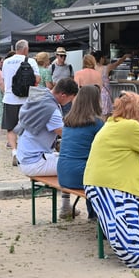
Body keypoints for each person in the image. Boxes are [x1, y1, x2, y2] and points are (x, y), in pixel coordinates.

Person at [83, 91, 139, 268]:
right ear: (135, 110)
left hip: (99, 182)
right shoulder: (131, 127)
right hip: (111, 185)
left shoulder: (112, 123)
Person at [16, 78, 78, 217]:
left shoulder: (41, 95)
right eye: (70, 99)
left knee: (65, 160)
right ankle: (66, 207)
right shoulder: (52, 110)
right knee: (72, 164)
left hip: (24, 155)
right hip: (34, 161)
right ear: (63, 95)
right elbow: (67, 135)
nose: (70, 103)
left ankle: (66, 206)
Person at [56, 85, 104, 218]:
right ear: (96, 101)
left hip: (63, 173)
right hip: (81, 175)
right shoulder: (96, 123)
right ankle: (96, 215)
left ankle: (93, 215)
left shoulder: (68, 120)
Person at [1, 39, 40, 164]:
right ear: (25, 49)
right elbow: (37, 79)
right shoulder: (31, 61)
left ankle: (14, 151)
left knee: (11, 128)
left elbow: (4, 79)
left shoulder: (6, 62)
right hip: (26, 100)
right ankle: (25, 152)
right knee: (27, 127)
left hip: (9, 99)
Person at [92, 51, 132, 117]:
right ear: (101, 58)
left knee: (98, 113)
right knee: (107, 114)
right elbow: (117, 63)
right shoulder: (106, 68)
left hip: (96, 92)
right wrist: (124, 57)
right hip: (105, 93)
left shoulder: (93, 68)